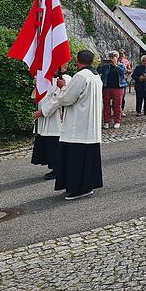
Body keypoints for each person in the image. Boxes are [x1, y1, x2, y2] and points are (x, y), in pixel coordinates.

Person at [34, 50, 102, 200]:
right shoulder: (95, 75)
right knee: (86, 159)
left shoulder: (80, 76)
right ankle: (86, 186)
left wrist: (63, 87)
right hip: (90, 124)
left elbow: (67, 99)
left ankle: (79, 188)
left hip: (78, 125)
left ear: (78, 61)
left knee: (76, 159)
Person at [31, 65, 71, 181]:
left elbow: (58, 99)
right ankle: (54, 166)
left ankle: (58, 168)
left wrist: (43, 112)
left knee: (55, 143)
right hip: (45, 118)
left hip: (56, 118)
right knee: (48, 142)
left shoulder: (66, 79)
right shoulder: (45, 79)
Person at [97, 50, 126, 129]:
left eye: (113, 56)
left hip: (118, 87)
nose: (112, 58)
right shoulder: (105, 66)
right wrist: (101, 64)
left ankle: (117, 121)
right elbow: (98, 71)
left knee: (117, 105)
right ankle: (106, 121)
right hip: (107, 87)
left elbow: (123, 72)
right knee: (106, 105)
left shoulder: (122, 65)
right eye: (110, 57)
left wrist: (115, 65)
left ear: (117, 57)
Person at [118, 49, 132, 116]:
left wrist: (125, 70)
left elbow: (130, 70)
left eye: (122, 53)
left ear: (124, 54)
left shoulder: (126, 61)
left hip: (123, 80)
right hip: (116, 80)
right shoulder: (115, 61)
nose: (121, 55)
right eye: (119, 53)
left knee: (122, 96)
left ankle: (121, 110)